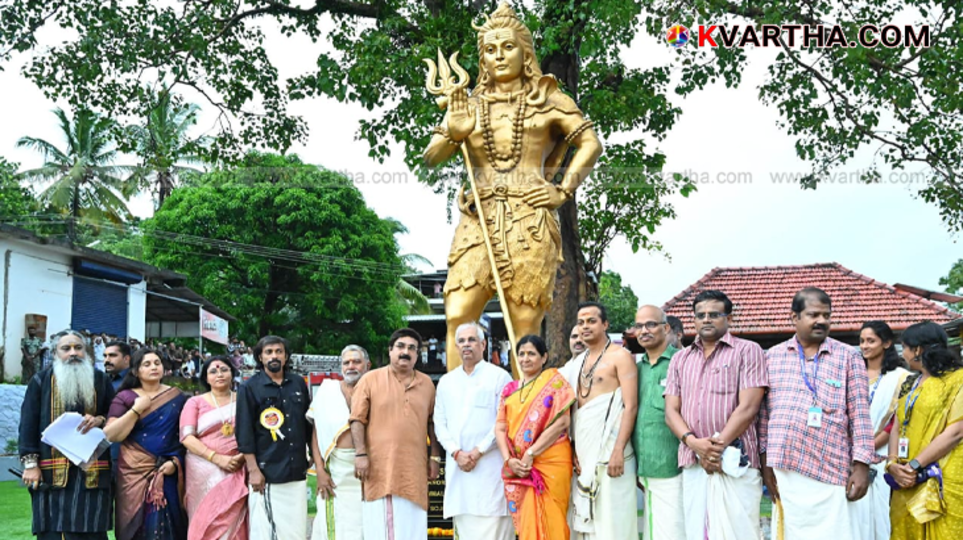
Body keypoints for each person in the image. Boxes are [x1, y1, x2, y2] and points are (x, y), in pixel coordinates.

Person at [424, 2, 603, 371]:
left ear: (526, 52)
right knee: (458, 313)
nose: (499, 56)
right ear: (482, 59)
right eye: (490, 50)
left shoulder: (548, 99)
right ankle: (461, 405)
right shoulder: (468, 104)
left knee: (523, 323)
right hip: (479, 218)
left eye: (508, 47)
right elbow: (431, 156)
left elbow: (590, 143)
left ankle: (526, 405)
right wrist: (454, 133)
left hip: (529, 218)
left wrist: (563, 190)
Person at [759, 287, 874, 539]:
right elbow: (764, 416)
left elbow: (860, 415)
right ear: (794, 317)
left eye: (827, 315)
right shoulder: (772, 357)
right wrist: (765, 463)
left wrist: (862, 465)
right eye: (813, 314)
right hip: (786, 466)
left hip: (832, 467)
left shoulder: (848, 357)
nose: (822, 320)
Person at [663, 290, 768, 540]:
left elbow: (749, 407)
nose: (706, 319)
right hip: (693, 459)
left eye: (714, 314)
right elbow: (671, 411)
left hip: (736, 460)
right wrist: (694, 443)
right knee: (697, 531)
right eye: (701, 315)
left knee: (740, 532)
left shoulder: (748, 351)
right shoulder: (680, 359)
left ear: (728, 319)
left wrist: (715, 449)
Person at [18, 329, 115, 540]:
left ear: (86, 352)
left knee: (93, 529)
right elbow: (28, 424)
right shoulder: (40, 381)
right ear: (55, 354)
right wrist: (30, 465)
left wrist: (100, 420)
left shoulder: (101, 380)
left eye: (78, 348)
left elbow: (117, 416)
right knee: (53, 530)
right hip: (51, 472)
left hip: (93, 471)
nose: (73, 353)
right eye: (66, 348)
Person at [350, 328, 442, 539]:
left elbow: (431, 422)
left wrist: (434, 456)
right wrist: (361, 454)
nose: (405, 352)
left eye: (412, 348)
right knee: (382, 525)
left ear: (418, 355)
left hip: (414, 468)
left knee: (413, 523)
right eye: (400, 347)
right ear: (390, 351)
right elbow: (357, 419)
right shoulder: (370, 379)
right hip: (379, 467)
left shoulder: (426, 383)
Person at [564, 302, 638, 540]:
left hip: (612, 448)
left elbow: (630, 405)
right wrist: (574, 448)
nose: (585, 326)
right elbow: (574, 410)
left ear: (605, 324)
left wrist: (618, 450)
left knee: (613, 517)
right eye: (581, 322)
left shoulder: (620, 356)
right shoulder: (577, 363)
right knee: (589, 521)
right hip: (584, 450)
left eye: (591, 321)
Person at [434, 323, 514, 539]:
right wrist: (456, 453)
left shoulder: (500, 377)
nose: (466, 345)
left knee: (495, 528)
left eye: (471, 340)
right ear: (456, 346)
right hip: (459, 472)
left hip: (490, 470)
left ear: (483, 344)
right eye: (461, 341)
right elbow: (439, 423)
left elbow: (503, 422)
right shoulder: (446, 382)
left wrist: (478, 452)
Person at [887, 321, 963, 539]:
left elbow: (957, 431)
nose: (904, 353)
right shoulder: (909, 382)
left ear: (917, 349)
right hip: (906, 478)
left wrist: (913, 466)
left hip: (944, 476)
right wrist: (892, 464)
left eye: (905, 347)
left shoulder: (958, 379)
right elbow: (897, 424)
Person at [495, 335, 574, 539]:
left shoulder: (555, 383)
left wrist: (531, 452)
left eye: (531, 353)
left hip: (551, 461)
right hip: (519, 467)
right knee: (527, 524)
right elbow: (500, 429)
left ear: (544, 357)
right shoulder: (509, 389)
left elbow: (563, 423)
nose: (525, 358)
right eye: (521, 354)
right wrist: (508, 461)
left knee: (553, 519)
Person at [104, 347, 188, 540]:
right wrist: (135, 410)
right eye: (147, 364)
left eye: (157, 363)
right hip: (133, 472)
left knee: (169, 527)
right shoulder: (125, 397)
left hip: (167, 470)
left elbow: (183, 437)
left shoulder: (177, 397)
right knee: (136, 528)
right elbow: (111, 434)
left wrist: (175, 462)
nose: (153, 367)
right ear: (135, 371)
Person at [236, 335, 312, 540]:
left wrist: (313, 455)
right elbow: (244, 432)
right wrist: (253, 470)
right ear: (260, 357)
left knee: (296, 530)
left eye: (279, 351)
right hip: (267, 473)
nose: (274, 356)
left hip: (297, 470)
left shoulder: (298, 383)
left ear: (286, 356)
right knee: (267, 532)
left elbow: (308, 423)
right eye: (268, 352)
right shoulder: (249, 387)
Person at [850, 321, 911, 540]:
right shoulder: (852, 374)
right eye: (861, 341)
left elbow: (896, 421)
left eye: (871, 341)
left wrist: (866, 448)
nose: (864, 346)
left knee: (883, 516)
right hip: (851, 455)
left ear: (886, 343)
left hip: (884, 453)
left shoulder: (901, 377)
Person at [631, 305, 685, 540]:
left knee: (675, 529)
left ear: (665, 328)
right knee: (653, 529)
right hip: (643, 466)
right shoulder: (635, 369)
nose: (644, 330)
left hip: (675, 464)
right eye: (639, 326)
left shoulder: (682, 362)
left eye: (651, 324)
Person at [179, 355, 248, 540]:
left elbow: (254, 432)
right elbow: (187, 437)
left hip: (237, 465)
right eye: (213, 371)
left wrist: (240, 457)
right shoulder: (195, 402)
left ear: (232, 374)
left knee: (234, 515)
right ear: (206, 378)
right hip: (203, 469)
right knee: (207, 516)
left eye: (224, 369)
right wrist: (216, 458)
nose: (220, 374)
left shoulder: (243, 399)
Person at [307, 345, 372, 540]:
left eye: (356, 362)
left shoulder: (376, 391)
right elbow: (317, 433)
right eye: (346, 362)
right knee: (334, 525)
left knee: (364, 526)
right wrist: (319, 470)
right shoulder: (328, 391)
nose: (351, 366)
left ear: (367, 365)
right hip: (334, 472)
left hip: (368, 471)